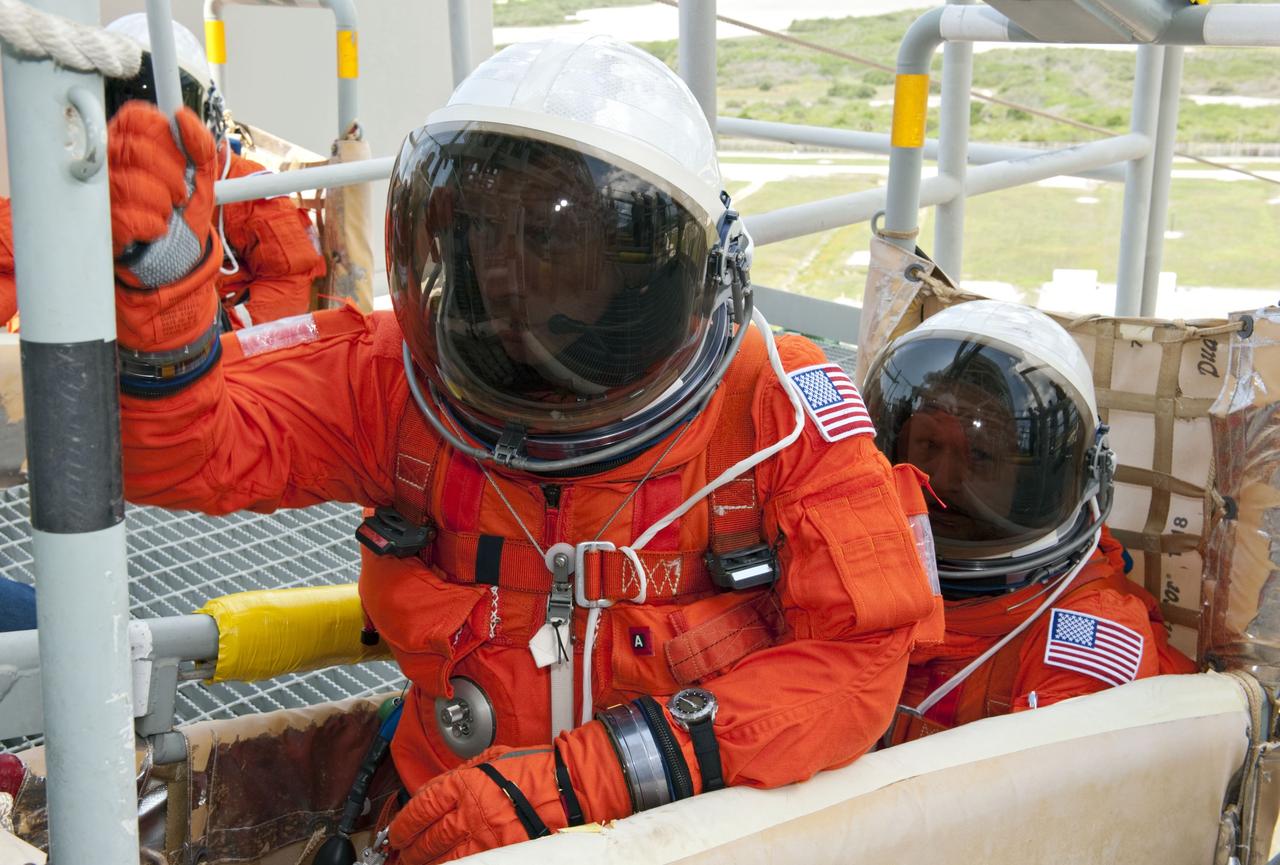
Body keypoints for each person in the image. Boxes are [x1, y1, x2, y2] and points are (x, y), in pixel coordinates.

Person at [107, 35, 939, 864]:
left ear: (652, 263)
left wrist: (580, 785)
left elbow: (863, 664)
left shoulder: (772, 410)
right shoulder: (394, 378)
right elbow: (182, 453)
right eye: (481, 234)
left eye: (546, 240)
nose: (502, 273)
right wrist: (164, 294)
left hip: (684, 835)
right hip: (446, 820)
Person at [861, 300, 1196, 744]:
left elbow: (1038, 803)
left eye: (979, 455)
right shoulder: (852, 576)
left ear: (1041, 480)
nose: (940, 481)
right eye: (926, 445)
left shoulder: (1085, 636)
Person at [0, 15, 324, 334]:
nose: (142, 129)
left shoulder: (243, 188)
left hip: (202, 343)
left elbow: (290, 277)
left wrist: (229, 328)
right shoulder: (86, 187)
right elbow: (19, 255)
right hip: (106, 333)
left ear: (205, 115)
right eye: (120, 103)